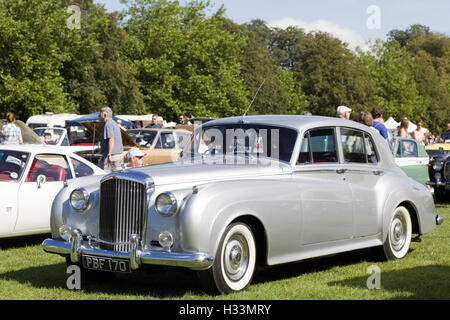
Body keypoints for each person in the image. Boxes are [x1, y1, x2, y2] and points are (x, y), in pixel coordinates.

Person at [99, 106, 123, 173]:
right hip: (118, 154)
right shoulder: (113, 123)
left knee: (107, 177)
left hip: (112, 156)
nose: (99, 116)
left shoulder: (108, 124)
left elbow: (111, 140)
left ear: (105, 114)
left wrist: (109, 154)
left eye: (100, 114)